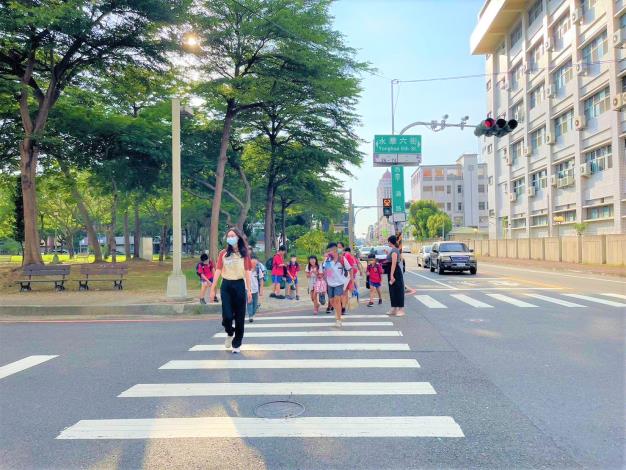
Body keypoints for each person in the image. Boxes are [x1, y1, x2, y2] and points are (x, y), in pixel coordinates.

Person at [210, 227, 253, 354]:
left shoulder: (244, 254)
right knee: (227, 316)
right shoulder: (223, 253)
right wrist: (213, 288)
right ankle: (230, 332)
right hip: (226, 286)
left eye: (232, 235)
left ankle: (237, 343)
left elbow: (247, 272)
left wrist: (249, 290)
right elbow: (217, 270)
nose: (230, 238)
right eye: (228, 236)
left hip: (239, 285)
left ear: (238, 237)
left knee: (240, 317)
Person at [323, 242, 352, 328]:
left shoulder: (342, 259)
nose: (329, 252)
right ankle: (338, 312)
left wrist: (352, 283)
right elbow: (327, 272)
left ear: (335, 250)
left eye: (330, 250)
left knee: (337, 300)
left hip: (339, 283)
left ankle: (338, 320)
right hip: (330, 284)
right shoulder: (327, 260)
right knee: (332, 302)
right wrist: (324, 282)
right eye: (328, 251)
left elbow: (350, 269)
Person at [386, 235, 405, 316]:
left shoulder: (394, 250)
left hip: (395, 272)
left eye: (388, 241)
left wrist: (391, 275)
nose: (388, 243)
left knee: (398, 290)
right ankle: (394, 308)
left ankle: (401, 309)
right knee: (392, 290)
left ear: (390, 242)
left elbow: (394, 263)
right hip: (392, 271)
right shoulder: (393, 250)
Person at [247, 252, 265, 323]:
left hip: (256, 290)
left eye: (255, 263)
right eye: (252, 263)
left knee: (255, 304)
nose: (254, 265)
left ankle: (253, 313)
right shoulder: (246, 270)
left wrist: (261, 290)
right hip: (248, 289)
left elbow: (261, 280)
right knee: (249, 302)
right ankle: (250, 316)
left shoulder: (258, 270)